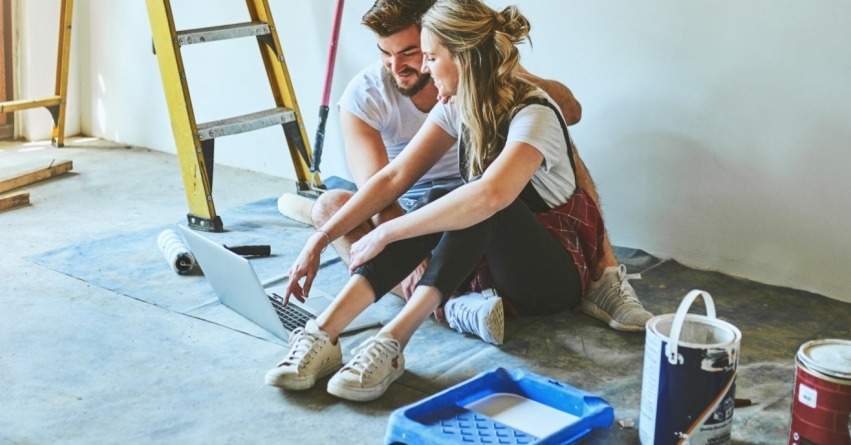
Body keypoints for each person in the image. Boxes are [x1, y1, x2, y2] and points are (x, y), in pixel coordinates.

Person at [265, 0, 650, 402]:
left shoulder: (532, 113)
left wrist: (388, 233)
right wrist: (321, 238)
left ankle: (392, 340)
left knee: (479, 201)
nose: (426, 69)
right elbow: (394, 177)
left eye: (430, 56)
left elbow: (492, 195)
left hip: (554, 280)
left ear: (464, 58)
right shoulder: (457, 106)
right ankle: (323, 332)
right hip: (493, 265)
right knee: (440, 197)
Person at [310, 0, 584, 307]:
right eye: (385, 53)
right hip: (412, 210)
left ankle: (605, 268)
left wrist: (499, 71)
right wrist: (326, 240)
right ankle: (445, 301)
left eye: (411, 53)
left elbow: (569, 112)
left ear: (442, 44)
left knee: (550, 142)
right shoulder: (365, 95)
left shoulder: (476, 86)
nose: (396, 67)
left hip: (483, 205)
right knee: (327, 206)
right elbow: (386, 185)